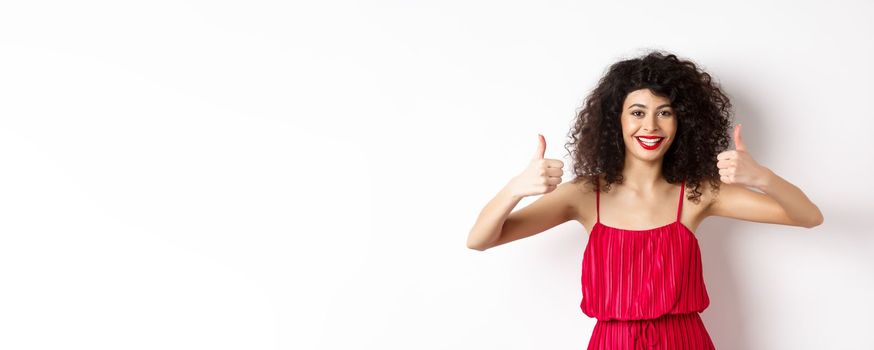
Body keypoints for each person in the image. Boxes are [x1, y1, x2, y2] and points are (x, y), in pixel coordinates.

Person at [465, 50, 824, 349]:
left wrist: (763, 178)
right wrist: (516, 188)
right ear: (616, 121)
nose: (650, 126)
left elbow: (808, 216)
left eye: (664, 113)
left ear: (681, 122)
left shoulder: (699, 194)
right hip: (612, 342)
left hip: (685, 342)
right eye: (637, 112)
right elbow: (480, 239)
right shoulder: (585, 195)